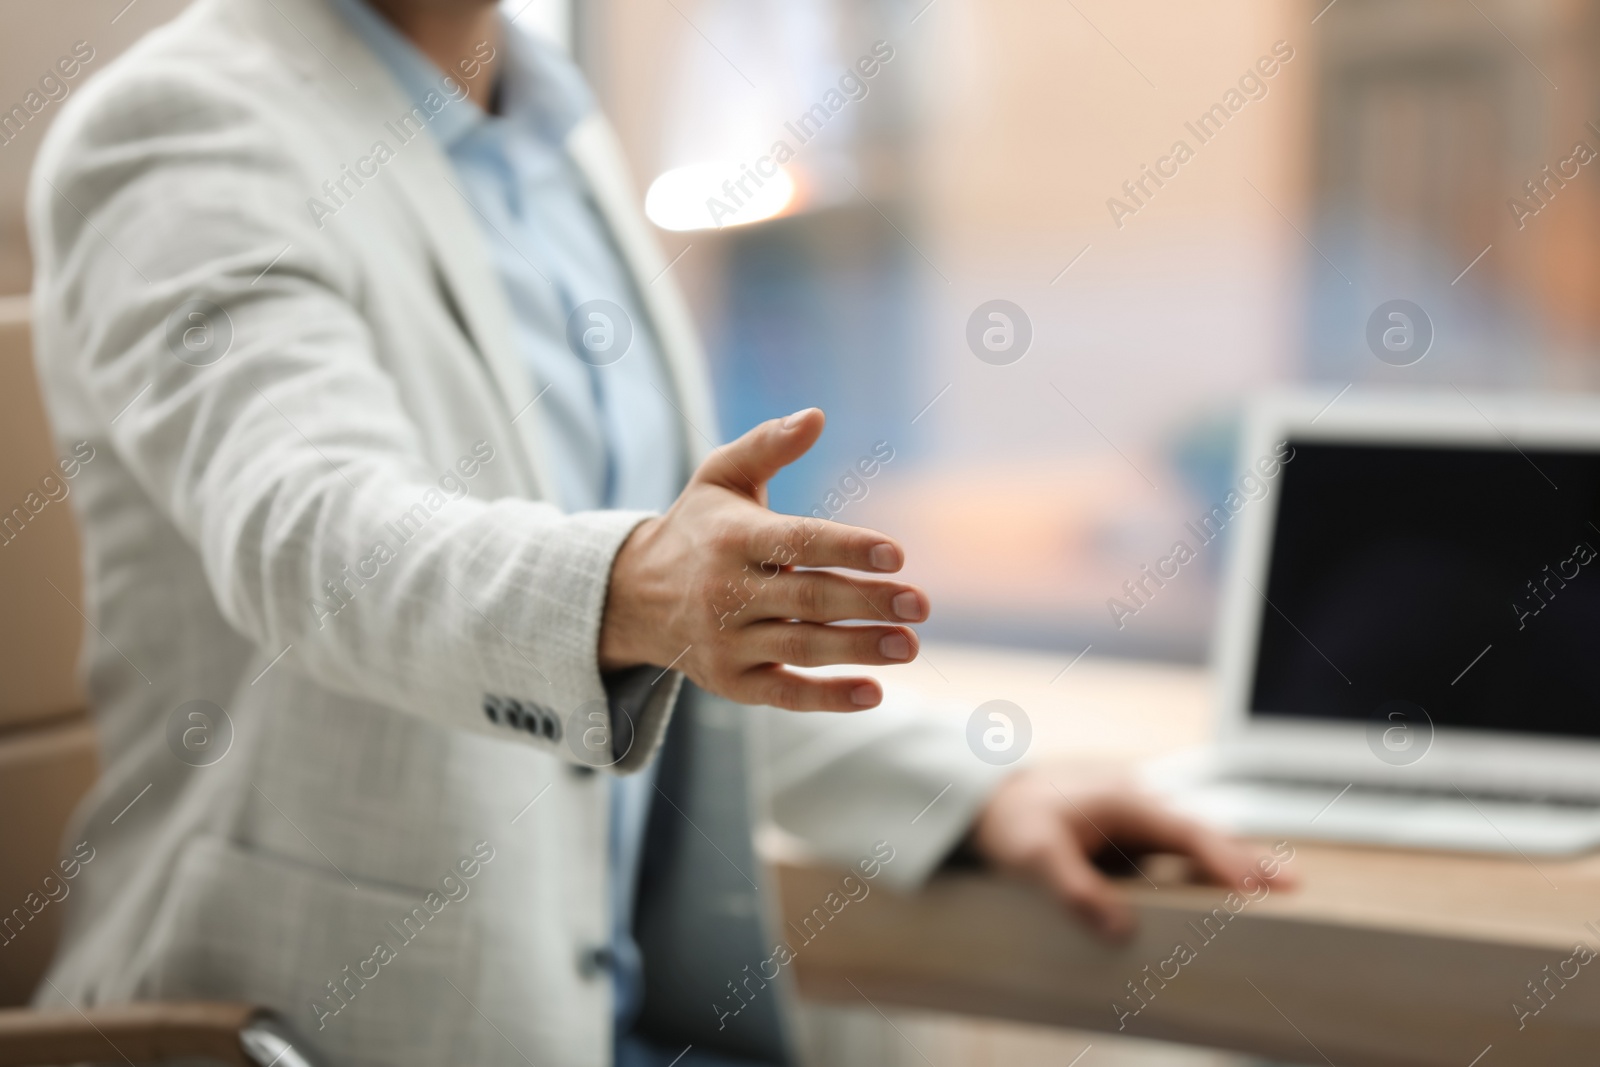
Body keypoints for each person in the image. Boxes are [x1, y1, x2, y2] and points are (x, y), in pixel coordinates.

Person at [25, 0, 1290, 1064]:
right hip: (327, 1016)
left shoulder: (548, 125)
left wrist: (971, 791)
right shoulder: (186, 127)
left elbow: (656, 646)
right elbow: (315, 541)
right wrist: (635, 583)